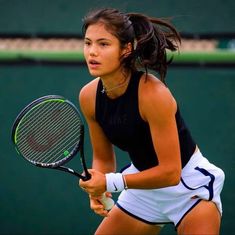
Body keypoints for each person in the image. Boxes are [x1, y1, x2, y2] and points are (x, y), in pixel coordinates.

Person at [79, 7, 225, 235]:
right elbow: (103, 157)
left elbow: (170, 172)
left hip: (188, 189)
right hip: (143, 188)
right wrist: (99, 189)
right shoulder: (88, 97)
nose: (92, 52)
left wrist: (110, 182)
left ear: (126, 49)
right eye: (88, 43)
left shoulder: (153, 94)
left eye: (103, 44)